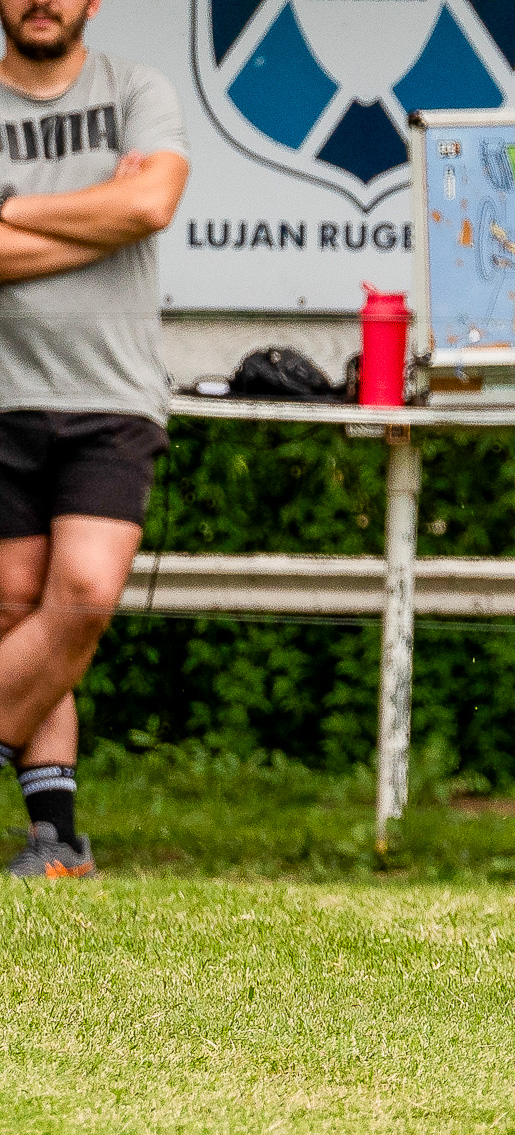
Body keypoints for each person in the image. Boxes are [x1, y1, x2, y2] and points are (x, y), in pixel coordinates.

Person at [0, 0, 189, 878]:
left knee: (80, 596)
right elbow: (122, 208)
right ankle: (57, 835)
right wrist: (96, 214)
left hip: (112, 394)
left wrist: (16, 213)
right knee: (14, 605)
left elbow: (151, 203)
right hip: (4, 393)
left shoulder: (134, 89)